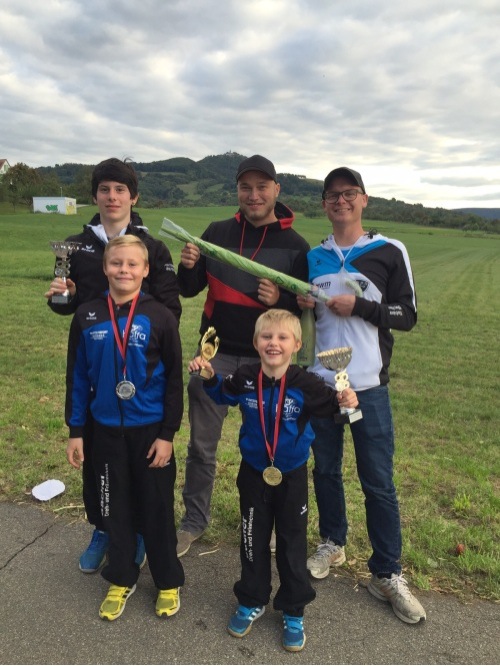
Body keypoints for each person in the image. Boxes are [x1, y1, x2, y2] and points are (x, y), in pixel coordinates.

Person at [189, 309, 359, 652]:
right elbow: (223, 395)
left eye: (282, 338)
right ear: (256, 343)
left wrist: (350, 403)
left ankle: (294, 609)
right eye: (267, 337)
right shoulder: (246, 376)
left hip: (292, 476)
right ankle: (252, 598)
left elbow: (341, 415)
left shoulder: (307, 384)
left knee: (292, 543)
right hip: (253, 473)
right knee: (252, 538)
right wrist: (209, 377)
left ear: (296, 344)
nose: (274, 343)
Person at [301, 166, 426, 624]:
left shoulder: (389, 251)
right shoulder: (314, 256)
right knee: (326, 470)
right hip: (321, 384)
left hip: (368, 387)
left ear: (364, 199)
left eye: (348, 193)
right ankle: (333, 543)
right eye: (332, 196)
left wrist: (364, 307)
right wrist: (302, 304)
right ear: (324, 204)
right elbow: (308, 317)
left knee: (378, 481)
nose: (340, 201)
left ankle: (387, 573)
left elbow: (407, 315)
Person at [45, 157, 181, 573]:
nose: (112, 196)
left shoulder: (153, 247)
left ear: (133, 196)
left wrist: (139, 331)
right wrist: (59, 297)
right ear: (95, 196)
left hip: (141, 369)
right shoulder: (74, 245)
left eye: (120, 189)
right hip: (99, 365)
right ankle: (103, 529)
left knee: (139, 470)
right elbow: (67, 308)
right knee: (102, 472)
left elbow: (170, 309)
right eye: (104, 189)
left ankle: (137, 533)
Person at [176, 155, 310, 556]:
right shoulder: (216, 232)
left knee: (269, 448)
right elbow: (188, 289)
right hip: (214, 354)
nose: (253, 195)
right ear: (237, 191)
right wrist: (187, 267)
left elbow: (302, 308)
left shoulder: (295, 245)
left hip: (265, 364)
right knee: (201, 447)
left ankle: (265, 523)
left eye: (262, 187)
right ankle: (194, 521)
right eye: (246, 188)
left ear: (276, 191)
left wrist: (281, 297)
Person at [65, 235, 184, 621]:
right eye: (117, 263)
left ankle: (167, 581)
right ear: (105, 267)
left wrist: (167, 435)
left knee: (157, 510)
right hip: (103, 433)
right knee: (113, 509)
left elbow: (173, 382)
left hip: (150, 433)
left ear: (146, 270)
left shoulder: (161, 316)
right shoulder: (87, 314)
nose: (124, 271)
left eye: (133, 264)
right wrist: (77, 430)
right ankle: (121, 577)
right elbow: (78, 378)